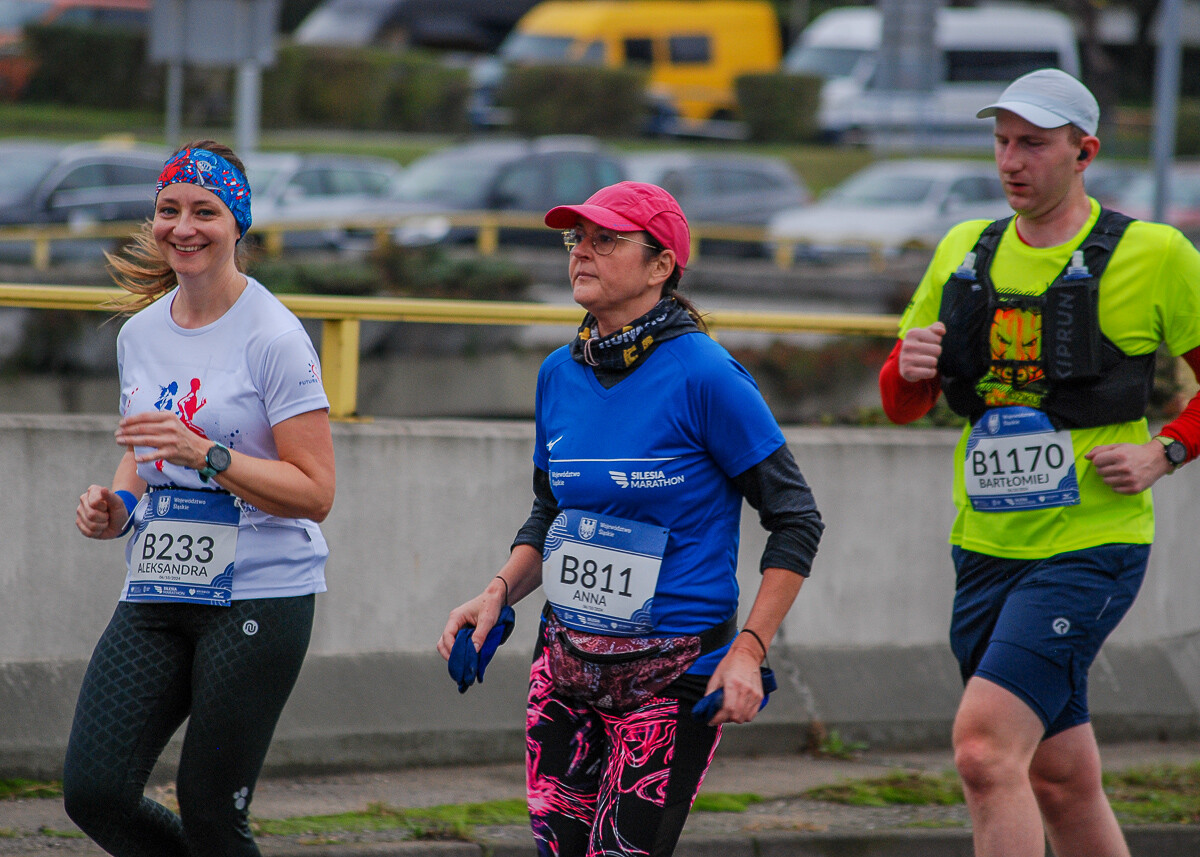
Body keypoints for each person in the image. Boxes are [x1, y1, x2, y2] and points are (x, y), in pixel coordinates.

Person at [438, 181, 824, 857]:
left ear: (660, 264)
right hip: (566, 663)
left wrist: (749, 649)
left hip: (673, 671)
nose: (582, 252)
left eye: (605, 240)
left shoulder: (706, 373)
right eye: (576, 238)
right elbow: (552, 510)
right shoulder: (560, 372)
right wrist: (496, 592)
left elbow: (796, 519)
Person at [879, 69, 1200, 856]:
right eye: (1001, 142)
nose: (1011, 161)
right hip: (984, 547)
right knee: (1058, 779)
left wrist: (1166, 450)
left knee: (986, 754)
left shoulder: (1155, 254)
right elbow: (899, 402)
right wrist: (908, 366)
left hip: (1092, 543)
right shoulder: (964, 250)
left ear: (1083, 151)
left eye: (1033, 144)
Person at [63, 140, 336, 857]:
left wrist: (207, 455)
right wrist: (116, 504)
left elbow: (315, 493)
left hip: (260, 594)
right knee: (95, 790)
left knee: (212, 811)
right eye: (168, 210)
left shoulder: (274, 336)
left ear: (237, 222)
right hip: (159, 582)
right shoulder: (141, 333)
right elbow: (141, 448)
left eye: (205, 211)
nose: (184, 226)